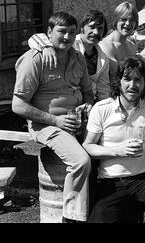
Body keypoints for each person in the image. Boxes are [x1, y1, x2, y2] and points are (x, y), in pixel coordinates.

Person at [12, 11, 94, 222]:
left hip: (77, 120)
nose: (67, 37)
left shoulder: (78, 58)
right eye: (61, 32)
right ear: (49, 32)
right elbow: (18, 105)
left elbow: (87, 92)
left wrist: (87, 107)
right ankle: (70, 216)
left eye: (72, 33)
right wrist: (56, 120)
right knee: (81, 161)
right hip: (46, 124)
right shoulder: (35, 59)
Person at [83, 56, 145, 223]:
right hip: (111, 182)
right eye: (127, 79)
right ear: (118, 81)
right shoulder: (102, 108)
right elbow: (88, 146)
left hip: (143, 178)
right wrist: (117, 150)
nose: (132, 85)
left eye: (138, 80)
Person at [28, 10, 111, 102]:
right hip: (60, 99)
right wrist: (46, 47)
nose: (96, 32)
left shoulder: (103, 57)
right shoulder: (69, 42)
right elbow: (34, 38)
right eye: (92, 27)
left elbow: (104, 88)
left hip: (89, 102)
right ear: (82, 27)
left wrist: (104, 108)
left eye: (100, 28)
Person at [99, 1, 139, 79]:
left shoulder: (132, 45)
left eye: (131, 20)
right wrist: (142, 57)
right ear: (116, 20)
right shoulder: (106, 46)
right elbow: (116, 75)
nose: (127, 23)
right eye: (124, 19)